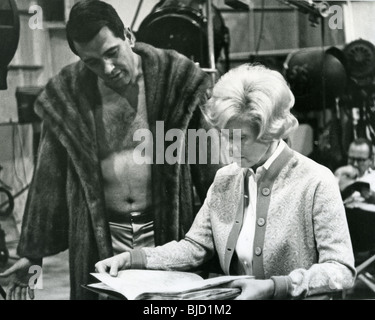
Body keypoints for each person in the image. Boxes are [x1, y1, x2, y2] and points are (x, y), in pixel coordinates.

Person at [0, 1, 220, 300]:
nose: (107, 69)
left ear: (128, 36)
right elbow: (47, 180)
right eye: (91, 62)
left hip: (167, 234)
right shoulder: (70, 96)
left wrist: (227, 240)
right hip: (100, 237)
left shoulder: (174, 82)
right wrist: (32, 253)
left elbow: (212, 173)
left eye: (111, 53)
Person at [95, 64, 356, 299]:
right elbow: (194, 247)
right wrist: (135, 258)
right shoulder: (226, 179)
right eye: (225, 136)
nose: (230, 148)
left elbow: (341, 270)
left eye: (241, 138)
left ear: (271, 130)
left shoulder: (316, 181)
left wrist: (278, 286)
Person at [334, 138, 375, 204]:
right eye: (351, 159)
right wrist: (338, 173)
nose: (355, 164)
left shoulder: (373, 177)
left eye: (360, 160)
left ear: (370, 160)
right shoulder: (340, 175)